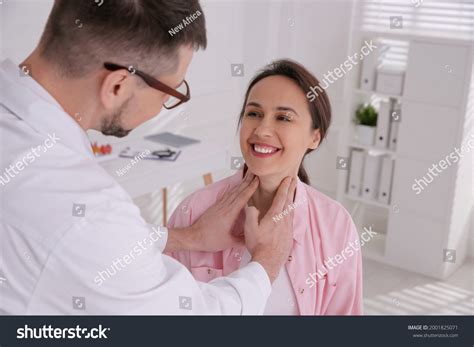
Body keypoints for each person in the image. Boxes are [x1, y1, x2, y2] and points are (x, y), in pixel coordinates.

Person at [0, 0, 295, 314]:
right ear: (117, 86)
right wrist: (266, 264)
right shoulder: (86, 212)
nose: (165, 105)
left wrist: (187, 238)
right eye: (170, 92)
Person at [167, 60, 363, 315]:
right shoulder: (194, 211)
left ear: (314, 137)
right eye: (254, 113)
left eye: (283, 117)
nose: (262, 129)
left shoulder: (335, 224)